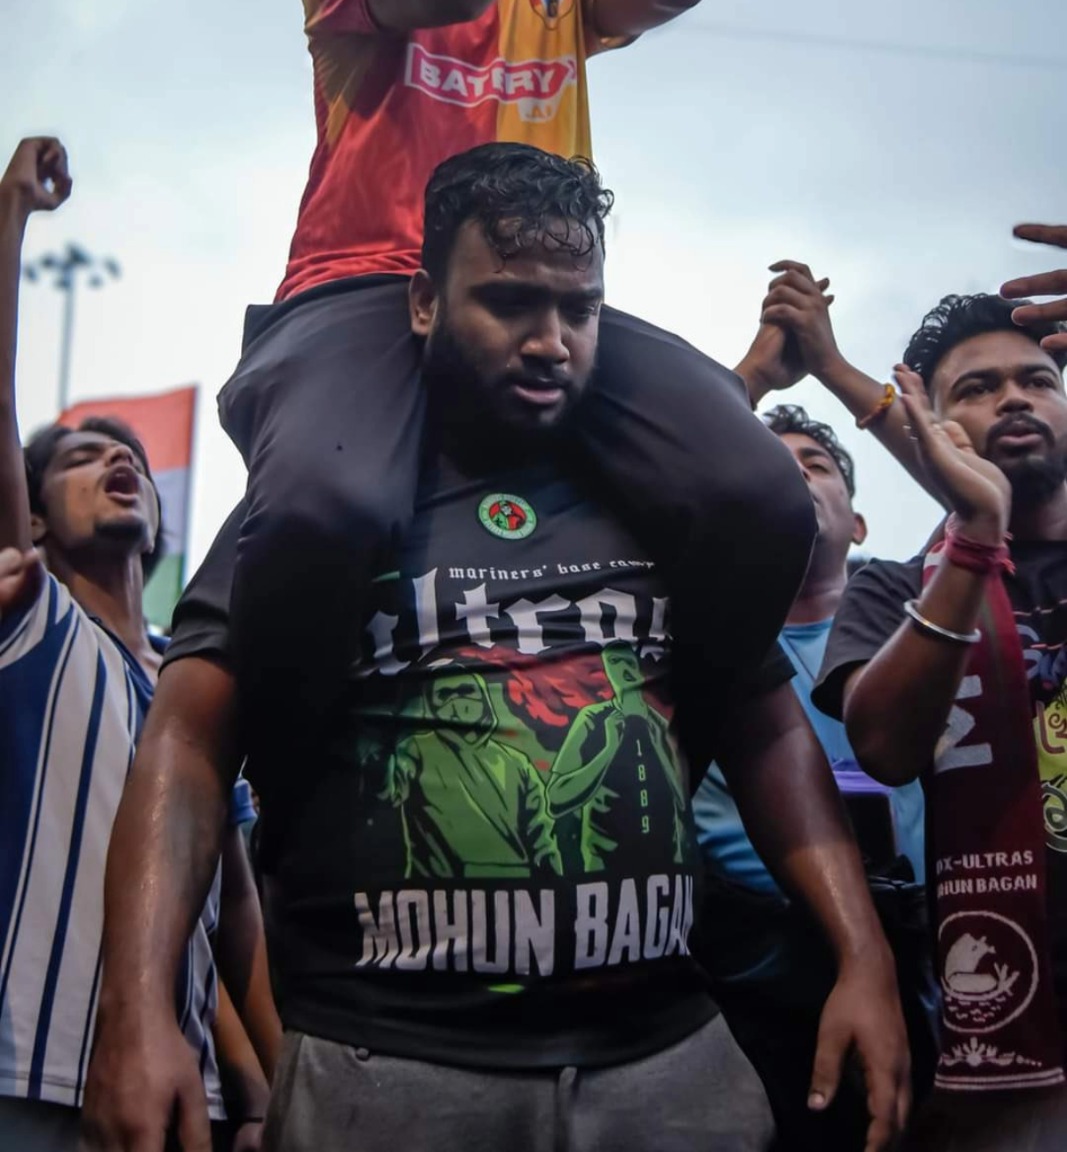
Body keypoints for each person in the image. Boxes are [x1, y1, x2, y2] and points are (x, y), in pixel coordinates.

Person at [84, 146, 910, 1152]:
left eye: (578, 308)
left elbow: (765, 721)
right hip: (385, 1070)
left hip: (664, 1063)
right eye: (511, 302)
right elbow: (186, 746)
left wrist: (859, 955)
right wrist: (136, 1012)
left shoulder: (661, 504)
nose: (550, 341)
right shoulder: (325, 507)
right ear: (425, 301)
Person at [178, 0, 815, 812]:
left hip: (543, 306)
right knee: (321, 508)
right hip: (361, 291)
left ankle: (672, 738)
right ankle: (297, 780)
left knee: (752, 493)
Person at [0, 139, 279, 1150]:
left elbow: (230, 915)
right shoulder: (30, 614)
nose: (116, 457)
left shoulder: (189, 683)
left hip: (184, 1104)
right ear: (30, 513)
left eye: (127, 454)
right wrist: (10, 217)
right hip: (28, 1074)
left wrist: (276, 1096)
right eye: (79, 454)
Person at [811, 286, 1067, 1149]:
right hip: (1002, 1034)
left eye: (1037, 380)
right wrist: (974, 536)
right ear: (933, 425)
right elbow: (884, 746)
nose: (1013, 399)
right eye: (976, 388)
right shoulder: (893, 586)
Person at [693, 400, 932, 1150]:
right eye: (770, 464)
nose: (792, 475)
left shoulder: (926, 628)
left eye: (815, 464)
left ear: (858, 524)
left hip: (927, 954)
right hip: (743, 976)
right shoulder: (689, 638)